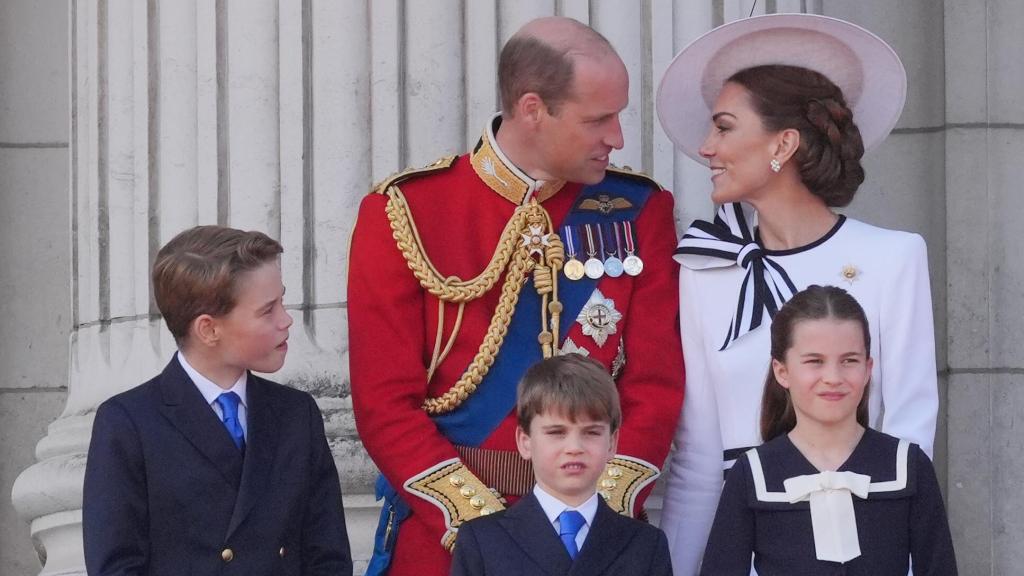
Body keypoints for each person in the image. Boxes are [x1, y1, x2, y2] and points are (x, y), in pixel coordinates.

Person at [348, 16, 684, 576]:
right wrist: (481, 526)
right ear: (533, 109)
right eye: (598, 119)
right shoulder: (404, 212)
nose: (618, 137)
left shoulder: (639, 210)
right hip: (450, 538)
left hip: (593, 537)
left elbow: (655, 385)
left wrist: (594, 514)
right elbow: (384, 404)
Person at [654, 13, 939, 575]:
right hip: (751, 546)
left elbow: (909, 441)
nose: (707, 148)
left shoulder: (894, 258)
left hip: (865, 545)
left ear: (783, 142)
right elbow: (698, 463)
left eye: (724, 127)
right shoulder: (703, 269)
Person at [83, 226, 353, 576]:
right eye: (267, 310)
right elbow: (116, 566)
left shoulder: (296, 414)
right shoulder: (128, 423)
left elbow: (328, 557)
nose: (286, 320)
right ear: (208, 329)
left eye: (281, 301)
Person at [700, 285, 956, 575]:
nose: (833, 377)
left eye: (849, 361)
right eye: (814, 361)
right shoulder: (753, 473)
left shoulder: (908, 466)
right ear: (782, 371)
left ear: (868, 368)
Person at [451, 354, 673, 575]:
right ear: (525, 441)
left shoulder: (646, 545)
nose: (574, 447)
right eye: (557, 433)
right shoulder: (482, 541)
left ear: (612, 443)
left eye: (591, 432)